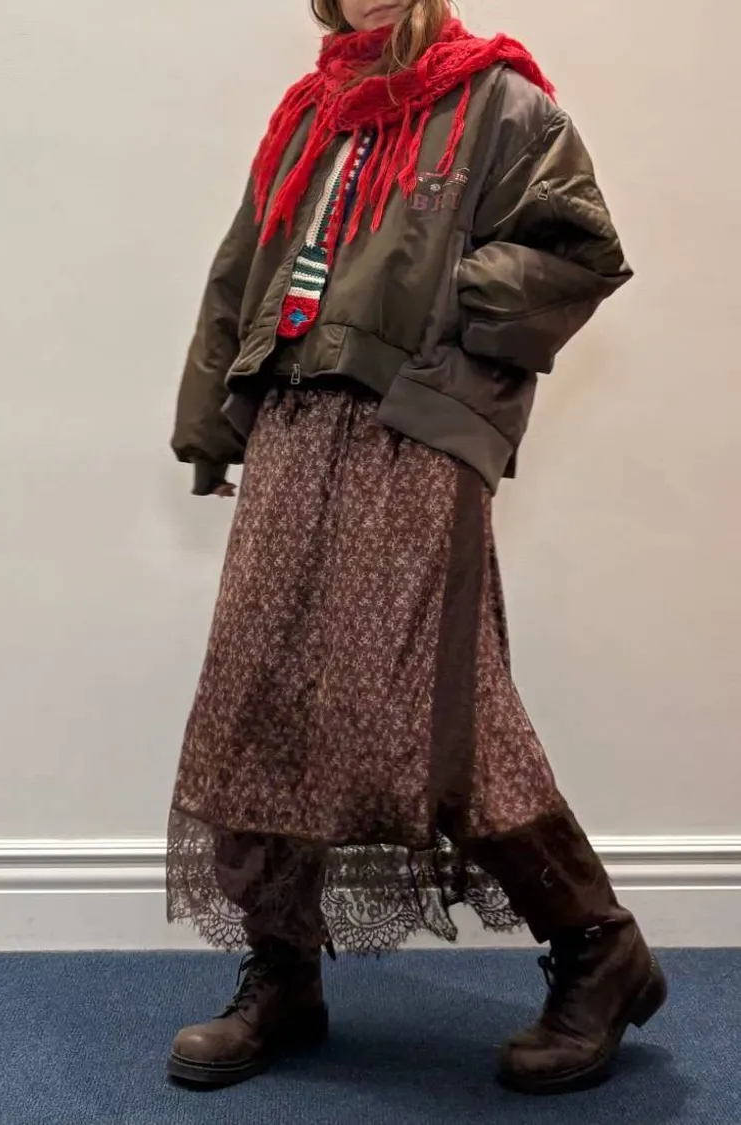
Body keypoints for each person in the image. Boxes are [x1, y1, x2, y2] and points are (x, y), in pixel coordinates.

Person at [165, 0, 667, 1097]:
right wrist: (211, 415)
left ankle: (598, 947)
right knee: (263, 684)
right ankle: (284, 973)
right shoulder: (312, 111)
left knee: (430, 703)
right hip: (294, 421)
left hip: (414, 426)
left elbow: (575, 249)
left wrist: (442, 315)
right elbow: (242, 266)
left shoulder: (501, 100)